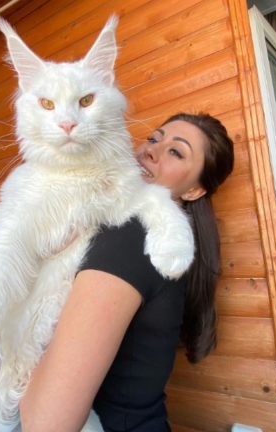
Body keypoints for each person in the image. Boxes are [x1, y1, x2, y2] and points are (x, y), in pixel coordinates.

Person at [19, 113, 235, 432]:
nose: (150, 150)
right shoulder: (138, 237)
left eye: (176, 151)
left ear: (194, 191)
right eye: (153, 138)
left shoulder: (134, 236)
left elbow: (47, 424)